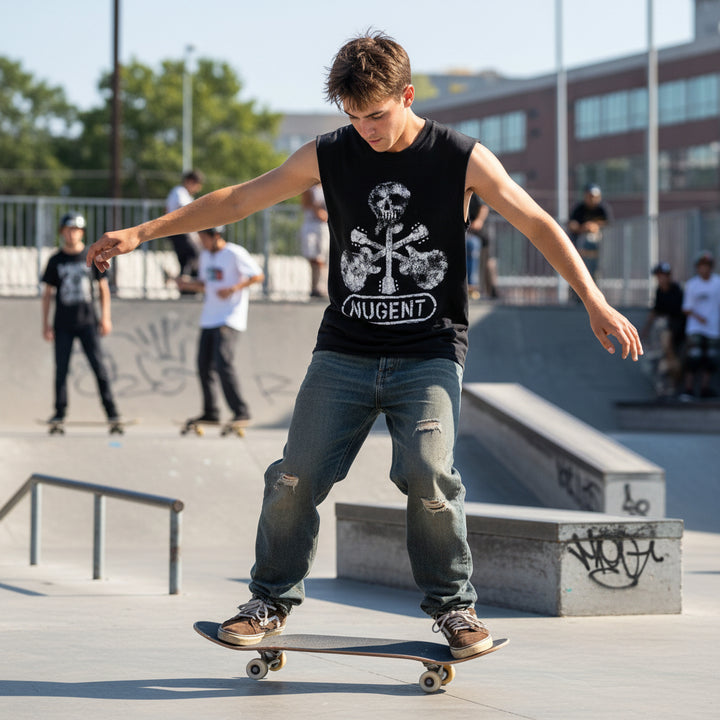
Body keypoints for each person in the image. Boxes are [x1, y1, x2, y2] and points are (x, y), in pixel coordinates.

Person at [86, 31, 642, 660]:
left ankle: (455, 608)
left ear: (406, 95)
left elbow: (536, 220)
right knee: (294, 477)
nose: (367, 131)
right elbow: (240, 199)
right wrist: (144, 232)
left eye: (376, 115)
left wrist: (593, 298)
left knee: (430, 475)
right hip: (344, 351)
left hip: (428, 353)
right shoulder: (330, 153)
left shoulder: (460, 155)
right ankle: (269, 598)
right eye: (353, 117)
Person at [175, 226, 264, 425]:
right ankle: (211, 412)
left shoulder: (234, 253)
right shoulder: (205, 256)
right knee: (203, 365)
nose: (201, 243)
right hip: (209, 318)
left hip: (230, 317)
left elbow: (258, 275)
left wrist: (234, 288)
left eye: (203, 239)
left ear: (215, 236)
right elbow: (206, 284)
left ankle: (241, 411)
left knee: (223, 363)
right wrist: (186, 284)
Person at [42, 212, 120, 424]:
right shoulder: (55, 260)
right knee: (61, 371)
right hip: (62, 324)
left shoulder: (90, 256)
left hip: (88, 323)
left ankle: (112, 412)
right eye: (68, 230)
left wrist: (106, 318)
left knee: (99, 367)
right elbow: (47, 294)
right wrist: (45, 324)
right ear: (62, 232)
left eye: (76, 230)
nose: (72, 234)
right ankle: (59, 412)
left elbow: (103, 288)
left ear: (82, 232)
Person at [641, 262, 685, 397]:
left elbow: (680, 313)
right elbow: (655, 310)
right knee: (661, 366)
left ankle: (671, 359)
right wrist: (646, 329)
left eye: (663, 276)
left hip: (676, 329)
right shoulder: (659, 291)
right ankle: (664, 390)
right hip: (663, 333)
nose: (660, 279)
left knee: (673, 361)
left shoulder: (676, 289)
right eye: (658, 276)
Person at [680, 251, 720, 399]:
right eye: (702, 266)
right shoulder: (692, 285)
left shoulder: (717, 283)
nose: (704, 269)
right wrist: (699, 317)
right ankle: (689, 388)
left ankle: (705, 388)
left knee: (710, 358)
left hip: (713, 328)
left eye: (707, 266)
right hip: (695, 327)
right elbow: (686, 308)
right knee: (693, 357)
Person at [165, 169, 205, 284]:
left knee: (186, 259)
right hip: (178, 232)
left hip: (181, 231)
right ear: (189, 181)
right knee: (193, 254)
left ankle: (187, 285)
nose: (198, 189)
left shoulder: (183, 193)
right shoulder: (179, 191)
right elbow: (185, 209)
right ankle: (188, 283)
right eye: (196, 184)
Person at [568, 183, 611, 282]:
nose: (592, 199)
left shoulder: (602, 209)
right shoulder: (579, 209)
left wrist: (595, 225)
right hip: (581, 247)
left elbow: (609, 223)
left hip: (599, 247)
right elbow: (572, 225)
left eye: (595, 197)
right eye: (590, 196)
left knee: (596, 275)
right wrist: (584, 228)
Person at [299, 184, 330, 298]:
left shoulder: (328, 186)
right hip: (310, 224)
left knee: (322, 258)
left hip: (323, 226)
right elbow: (305, 204)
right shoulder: (310, 188)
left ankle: (322, 286)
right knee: (313, 258)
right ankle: (314, 286)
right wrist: (315, 207)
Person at [466, 193, 498, 300]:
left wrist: (478, 221)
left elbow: (484, 208)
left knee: (489, 263)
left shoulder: (472, 192)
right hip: (465, 236)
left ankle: (488, 291)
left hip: (478, 235)